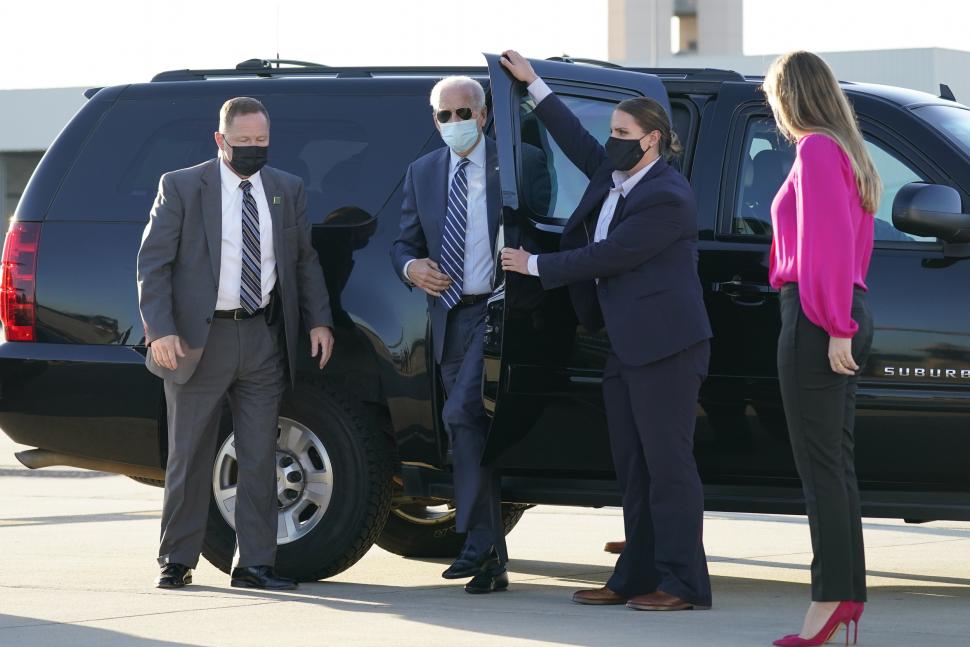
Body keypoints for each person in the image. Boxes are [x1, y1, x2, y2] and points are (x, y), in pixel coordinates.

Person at [499, 50, 713, 612]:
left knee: (668, 467)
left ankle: (683, 583)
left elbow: (612, 254)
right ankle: (635, 576)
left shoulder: (667, 195)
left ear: (651, 141)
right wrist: (534, 84)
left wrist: (534, 265)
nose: (612, 141)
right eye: (612, 132)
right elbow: (575, 139)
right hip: (625, 344)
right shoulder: (616, 176)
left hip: (667, 347)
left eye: (622, 133)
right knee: (634, 467)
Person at [137, 97, 334, 591]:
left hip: (263, 336)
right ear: (220, 139)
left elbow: (304, 261)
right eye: (243, 141)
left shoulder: (286, 188)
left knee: (259, 453)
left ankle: (254, 565)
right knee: (189, 454)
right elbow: (153, 264)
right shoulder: (182, 186)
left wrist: (319, 322)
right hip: (197, 340)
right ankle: (177, 559)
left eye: (260, 141)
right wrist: (161, 329)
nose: (253, 148)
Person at [762, 51, 878, 647]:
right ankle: (846, 594)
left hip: (817, 315)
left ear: (789, 96)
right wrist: (841, 319)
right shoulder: (847, 150)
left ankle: (829, 599)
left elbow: (827, 245)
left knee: (820, 467)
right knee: (836, 464)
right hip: (837, 310)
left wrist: (835, 325)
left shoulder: (815, 150)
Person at [390, 76, 509, 594]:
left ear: (482, 115)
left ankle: (476, 540)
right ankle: (492, 560)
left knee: (461, 414)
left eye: (464, 113)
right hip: (451, 317)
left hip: (498, 312)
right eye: (445, 115)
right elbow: (403, 243)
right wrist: (411, 267)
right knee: (470, 430)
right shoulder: (423, 171)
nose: (454, 122)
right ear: (434, 119)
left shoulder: (514, 164)